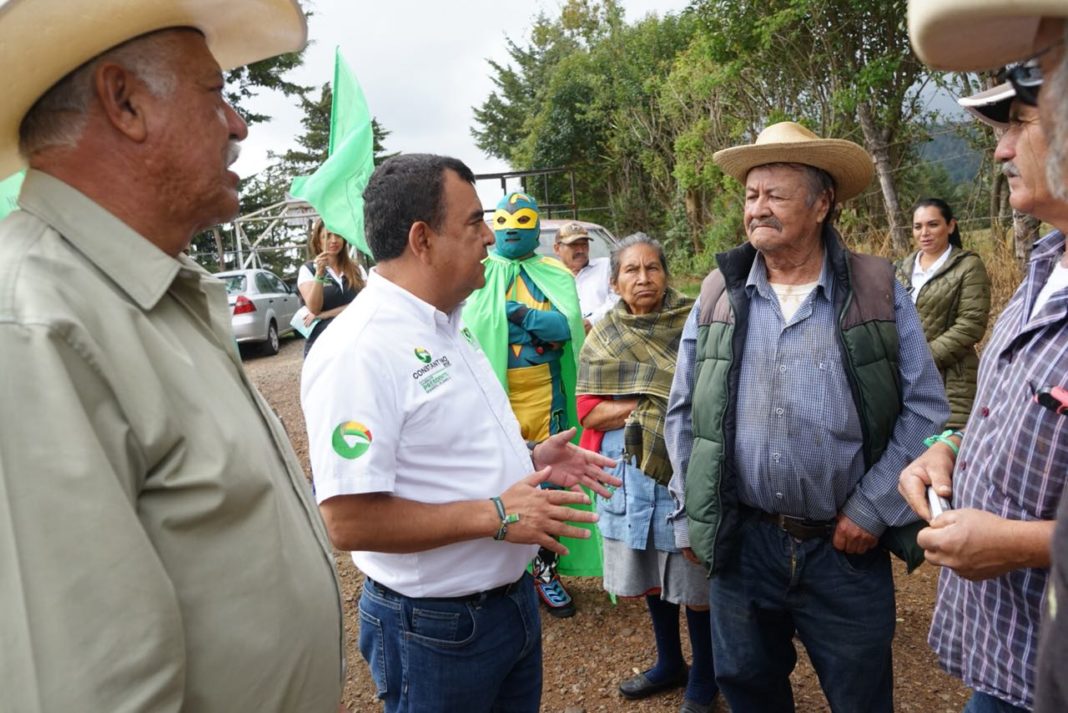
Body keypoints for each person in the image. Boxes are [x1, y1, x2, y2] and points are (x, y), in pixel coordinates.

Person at [0, 4, 345, 712]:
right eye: (215, 92)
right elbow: (86, 686)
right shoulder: (33, 323)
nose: (239, 124)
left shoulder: (147, 292)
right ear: (124, 101)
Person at [300, 153, 620, 713]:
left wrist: (531, 457)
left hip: (505, 604)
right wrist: (497, 515)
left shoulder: (450, 320)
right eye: (475, 223)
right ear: (422, 239)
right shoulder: (361, 348)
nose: (490, 239)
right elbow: (346, 519)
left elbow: (442, 446)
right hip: (434, 629)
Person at [665, 121, 949, 713]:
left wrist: (872, 509)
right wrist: (690, 512)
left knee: (860, 693)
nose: (757, 208)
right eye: (750, 195)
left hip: (843, 546)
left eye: (775, 194)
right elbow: (685, 411)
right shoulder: (721, 290)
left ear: (822, 204)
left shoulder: (875, 288)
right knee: (748, 687)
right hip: (743, 543)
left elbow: (925, 410)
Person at [896, 70, 1068, 713]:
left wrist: (1017, 544)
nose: (1000, 150)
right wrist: (951, 448)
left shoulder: (978, 269)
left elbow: (960, 330)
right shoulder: (1045, 267)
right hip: (1008, 657)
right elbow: (1022, 410)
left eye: (1021, 122)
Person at [576, 233, 717, 713]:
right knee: (654, 574)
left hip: (686, 465)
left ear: (666, 274)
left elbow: (715, 391)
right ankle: (669, 664)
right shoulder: (604, 335)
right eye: (631, 271)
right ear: (614, 282)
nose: (643, 278)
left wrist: (637, 406)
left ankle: (705, 676)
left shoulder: (696, 319)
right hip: (631, 473)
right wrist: (652, 401)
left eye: (652, 268)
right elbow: (588, 412)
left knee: (693, 576)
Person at [463, 192, 595, 618]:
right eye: (505, 220)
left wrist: (516, 316)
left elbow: (565, 327)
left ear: (536, 228)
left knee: (551, 483)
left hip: (549, 396)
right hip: (498, 398)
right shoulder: (479, 272)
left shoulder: (553, 272)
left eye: (523, 221)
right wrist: (537, 331)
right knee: (501, 479)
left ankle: (546, 570)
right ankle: (504, 571)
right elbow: (476, 328)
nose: (513, 229)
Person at [894, 198, 991, 428]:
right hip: (903, 379)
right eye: (918, 227)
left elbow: (971, 324)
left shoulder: (967, 266)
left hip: (951, 379)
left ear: (950, 226)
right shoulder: (900, 269)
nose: (924, 233)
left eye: (933, 224)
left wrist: (922, 359)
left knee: (944, 451)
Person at [297, 218, 364, 355]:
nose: (333, 240)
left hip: (356, 341)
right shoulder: (308, 270)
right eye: (327, 236)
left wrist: (326, 314)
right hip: (323, 345)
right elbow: (314, 309)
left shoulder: (357, 269)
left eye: (338, 235)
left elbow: (367, 303)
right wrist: (320, 274)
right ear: (318, 241)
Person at [553, 221, 617, 331]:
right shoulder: (550, 276)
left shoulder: (606, 266)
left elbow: (619, 298)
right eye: (573, 245)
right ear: (557, 249)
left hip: (604, 335)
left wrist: (592, 321)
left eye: (584, 244)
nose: (581, 250)